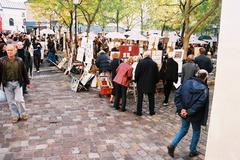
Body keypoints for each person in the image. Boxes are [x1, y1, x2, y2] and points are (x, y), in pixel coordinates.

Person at [167, 69, 209, 158]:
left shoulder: (186, 82)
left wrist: (181, 109)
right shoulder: (204, 89)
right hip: (195, 114)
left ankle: (172, 145)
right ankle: (192, 150)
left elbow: (177, 95)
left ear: (197, 75)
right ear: (205, 78)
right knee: (196, 131)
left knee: (183, 129)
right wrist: (185, 110)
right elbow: (200, 104)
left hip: (185, 112)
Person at [0, 43, 31, 123]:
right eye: (8, 50)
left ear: (15, 51)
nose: (9, 52)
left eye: (11, 50)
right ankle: (15, 115)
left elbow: (24, 72)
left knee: (19, 99)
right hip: (7, 84)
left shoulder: (19, 60)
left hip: (18, 83)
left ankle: (23, 113)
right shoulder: (2, 61)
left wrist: (28, 82)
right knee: (10, 101)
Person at [134, 51, 159, 116]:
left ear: (144, 56)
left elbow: (137, 74)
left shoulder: (140, 63)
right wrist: (155, 82)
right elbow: (157, 75)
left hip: (141, 83)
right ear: (150, 56)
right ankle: (152, 111)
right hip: (151, 83)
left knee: (140, 98)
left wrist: (136, 80)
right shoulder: (154, 64)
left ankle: (139, 111)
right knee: (151, 98)